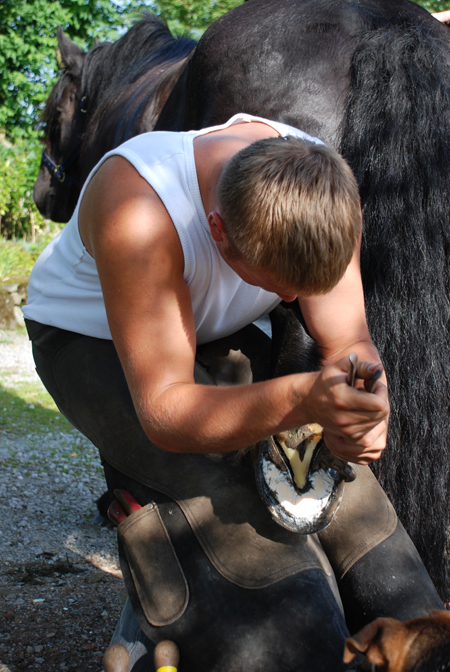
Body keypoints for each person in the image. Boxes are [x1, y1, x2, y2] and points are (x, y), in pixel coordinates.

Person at [23, 114, 442, 671]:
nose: (294, 298)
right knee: (217, 492)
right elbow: (167, 411)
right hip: (89, 335)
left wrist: (367, 400)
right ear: (218, 231)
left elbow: (348, 340)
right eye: (278, 283)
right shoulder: (140, 206)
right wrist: (301, 399)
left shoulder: (322, 189)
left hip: (212, 326)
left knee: (329, 481)